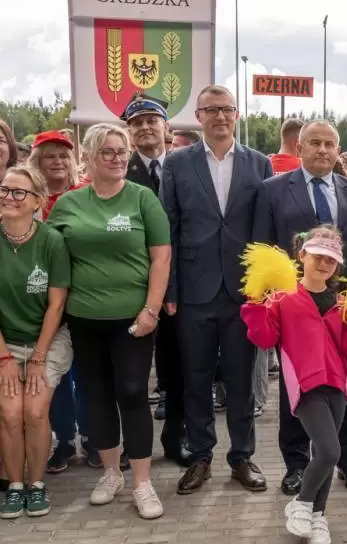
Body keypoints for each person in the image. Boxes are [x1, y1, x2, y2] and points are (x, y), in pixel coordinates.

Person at [48, 123, 171, 519]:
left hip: (133, 320)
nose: (118, 158)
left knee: (133, 393)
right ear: (88, 156)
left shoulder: (142, 198)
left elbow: (161, 257)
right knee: (96, 395)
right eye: (108, 152)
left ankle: (142, 483)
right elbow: (49, 254)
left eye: (122, 151)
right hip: (84, 318)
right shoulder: (68, 204)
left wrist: (151, 309)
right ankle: (110, 473)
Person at [252, 119, 347, 496]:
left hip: (343, 303)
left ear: (338, 150)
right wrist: (269, 298)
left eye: (329, 144)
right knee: (296, 384)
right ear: (300, 148)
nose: (323, 150)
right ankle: (296, 463)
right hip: (295, 303)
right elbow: (264, 249)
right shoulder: (272, 190)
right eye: (315, 143)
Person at [160, 85, 273, 494]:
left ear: (237, 114)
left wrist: (265, 288)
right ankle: (200, 457)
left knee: (242, 382)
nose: (220, 116)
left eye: (227, 109)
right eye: (212, 110)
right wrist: (170, 289)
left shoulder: (260, 163)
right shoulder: (177, 163)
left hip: (244, 291)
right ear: (199, 116)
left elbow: (265, 230)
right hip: (194, 290)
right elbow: (168, 227)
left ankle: (242, 458)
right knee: (196, 379)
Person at [241, 227, 347, 544]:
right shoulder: (283, 298)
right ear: (302, 255)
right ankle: (301, 504)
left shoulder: (342, 302)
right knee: (330, 451)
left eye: (331, 260)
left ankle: (318, 518)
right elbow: (265, 339)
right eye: (318, 256)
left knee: (323, 455)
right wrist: (255, 304)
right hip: (305, 386)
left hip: (338, 387)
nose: (324, 264)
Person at [121, 94, 191, 467]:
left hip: (178, 287)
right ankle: (133, 446)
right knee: (130, 376)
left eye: (152, 120)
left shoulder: (184, 166)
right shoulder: (120, 170)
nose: (145, 127)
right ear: (129, 132)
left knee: (177, 370)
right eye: (137, 123)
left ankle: (175, 439)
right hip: (134, 287)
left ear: (167, 127)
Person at [0, 166, 72, 519]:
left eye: (18, 192)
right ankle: (16, 486)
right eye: (3, 190)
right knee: (10, 412)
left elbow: (57, 305)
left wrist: (39, 357)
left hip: (48, 339)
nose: (8, 197)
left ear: (37, 202)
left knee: (34, 411)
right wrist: (5, 360)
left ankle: (37, 484)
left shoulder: (51, 241)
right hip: (5, 343)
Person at [26, 131, 93, 474]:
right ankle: (65, 439)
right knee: (56, 376)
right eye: (49, 155)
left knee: (89, 372)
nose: (57, 162)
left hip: (82, 297)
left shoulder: (86, 195)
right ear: (36, 161)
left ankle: (94, 438)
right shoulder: (28, 200)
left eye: (63, 155)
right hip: (43, 302)